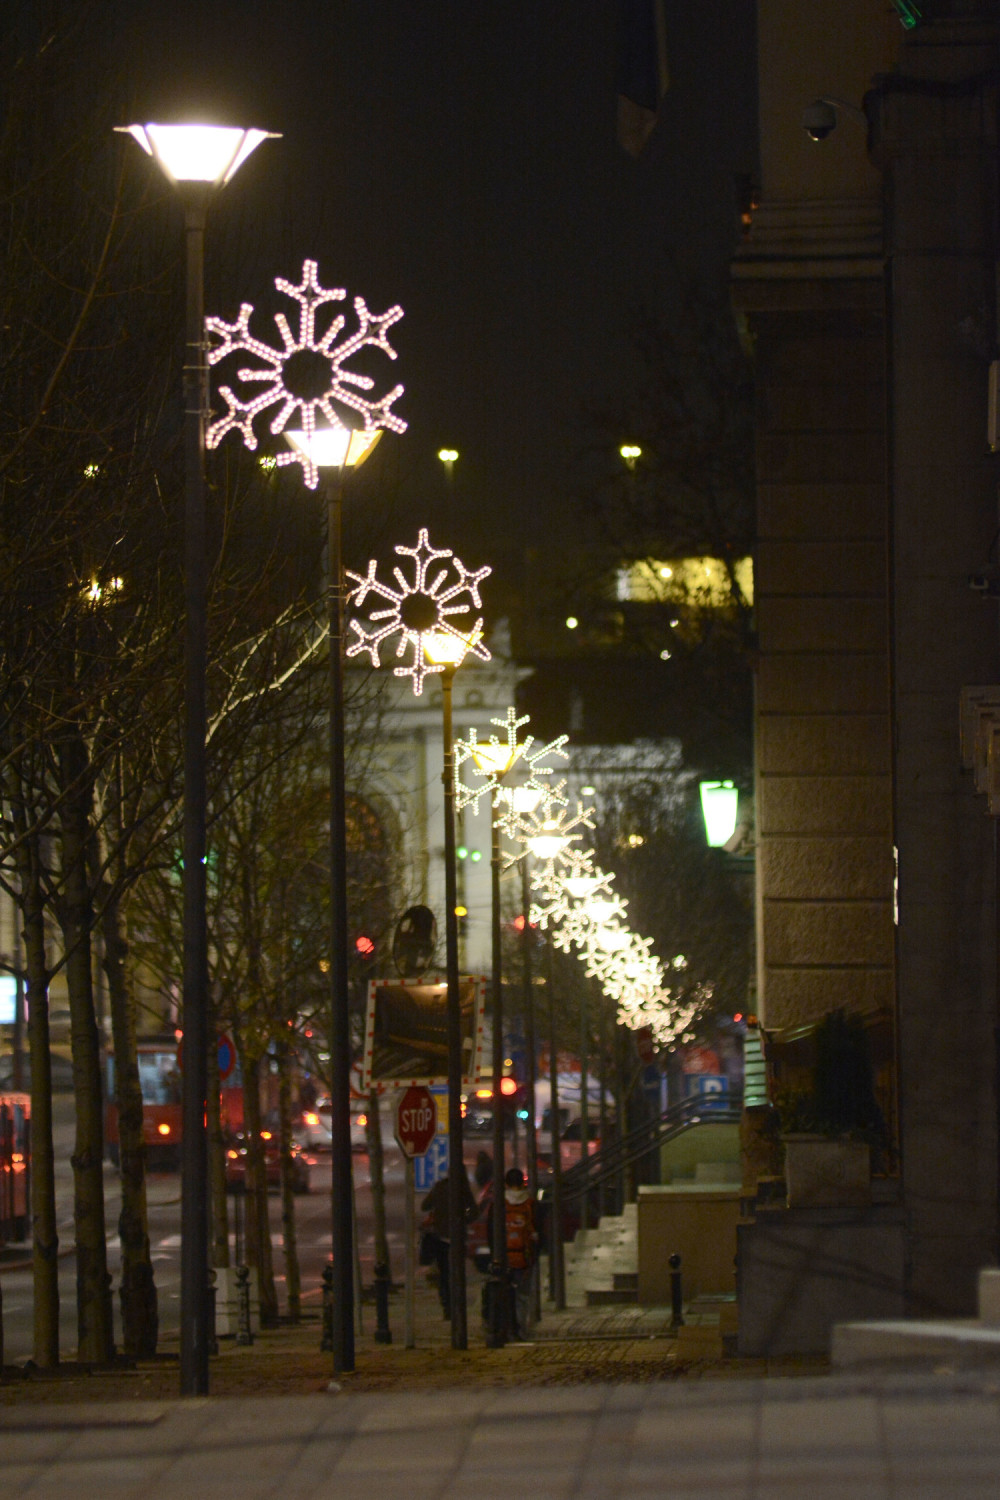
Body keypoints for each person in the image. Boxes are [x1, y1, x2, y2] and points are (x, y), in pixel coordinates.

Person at [421, 1168, 478, 1318]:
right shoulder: (463, 1189)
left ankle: (447, 1306)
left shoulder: (440, 1187)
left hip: (440, 1237)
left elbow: (424, 1205)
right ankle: (457, 1304)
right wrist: (464, 1220)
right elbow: (474, 1211)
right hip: (458, 1237)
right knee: (457, 1272)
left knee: (444, 1274)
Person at [503, 1166, 537, 1340]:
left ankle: (507, 1330)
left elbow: (492, 1232)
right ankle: (521, 1330)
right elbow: (538, 1232)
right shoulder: (530, 1204)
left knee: (504, 1295)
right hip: (525, 1257)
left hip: (504, 1258)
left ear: (506, 1184)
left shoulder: (500, 1205)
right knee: (523, 1297)